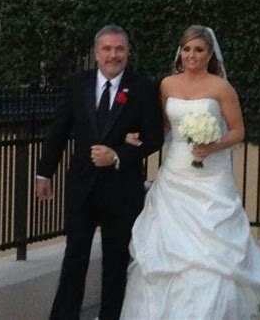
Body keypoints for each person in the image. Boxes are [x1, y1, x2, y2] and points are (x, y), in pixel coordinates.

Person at [120, 25, 260, 319]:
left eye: (199, 50)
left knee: (213, 247)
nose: (192, 55)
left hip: (211, 176)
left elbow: (238, 131)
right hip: (176, 173)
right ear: (180, 53)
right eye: (187, 49)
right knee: (168, 244)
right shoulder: (167, 85)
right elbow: (162, 129)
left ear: (210, 54)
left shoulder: (221, 88)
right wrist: (134, 136)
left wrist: (213, 145)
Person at [35, 24, 164, 320]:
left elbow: (154, 137)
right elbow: (59, 130)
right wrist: (44, 173)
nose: (113, 55)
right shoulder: (76, 84)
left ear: (128, 53)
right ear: (96, 54)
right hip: (82, 187)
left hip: (122, 190)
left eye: (119, 49)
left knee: (117, 261)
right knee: (74, 258)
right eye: (106, 49)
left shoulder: (143, 88)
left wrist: (118, 154)